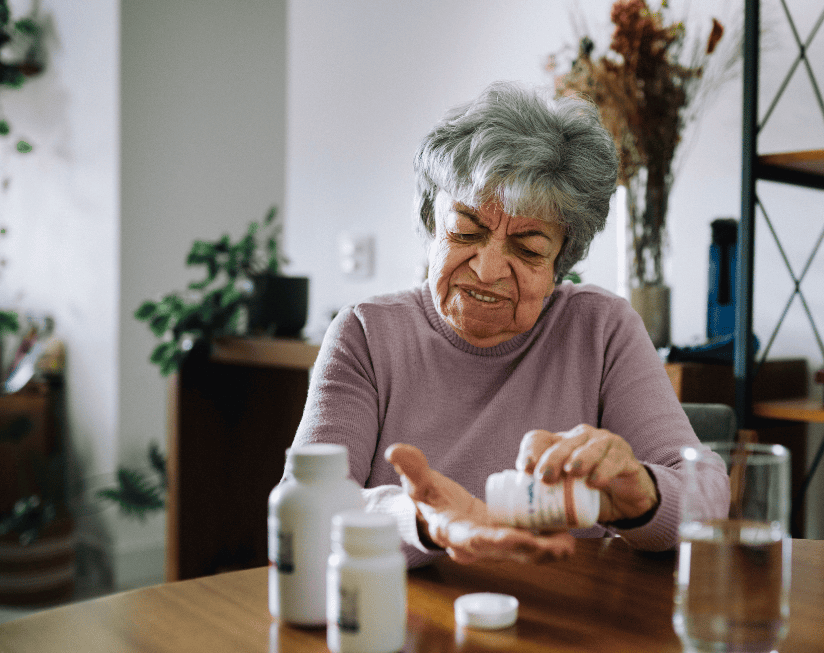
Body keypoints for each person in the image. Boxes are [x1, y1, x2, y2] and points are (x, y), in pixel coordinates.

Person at [292, 81, 729, 568]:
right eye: (465, 231)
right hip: (402, 620)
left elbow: (708, 493)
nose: (488, 268)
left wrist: (641, 490)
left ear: (561, 262)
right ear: (430, 224)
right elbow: (308, 508)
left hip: (569, 622)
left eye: (528, 249)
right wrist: (422, 521)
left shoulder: (601, 331)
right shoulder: (365, 336)